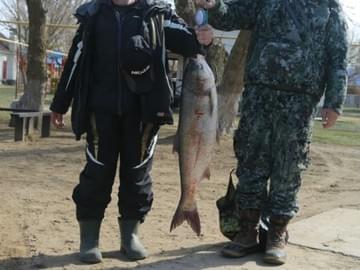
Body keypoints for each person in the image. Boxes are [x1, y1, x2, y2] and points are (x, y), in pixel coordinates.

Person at [50, 0, 213, 264]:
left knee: (137, 176)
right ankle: (89, 239)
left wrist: (204, 38)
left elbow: (191, 43)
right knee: (96, 173)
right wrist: (59, 104)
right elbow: (75, 61)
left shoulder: (158, 15)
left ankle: (130, 236)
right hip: (99, 112)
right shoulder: (92, 15)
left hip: (143, 114)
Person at [196, 0, 348, 265]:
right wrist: (213, 5)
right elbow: (231, 15)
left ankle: (277, 232)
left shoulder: (330, 8)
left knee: (288, 168)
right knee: (251, 162)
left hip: (299, 102)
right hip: (259, 95)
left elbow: (338, 58)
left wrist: (334, 102)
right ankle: (247, 231)